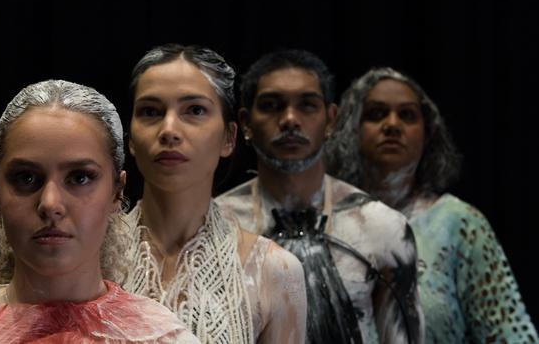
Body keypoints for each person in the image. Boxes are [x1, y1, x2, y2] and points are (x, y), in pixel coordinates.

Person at [0, 80, 198, 343]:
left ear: (117, 192)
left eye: (80, 177)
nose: (51, 204)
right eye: (26, 178)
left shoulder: (164, 339)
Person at [216, 50, 423, 344]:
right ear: (246, 123)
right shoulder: (216, 225)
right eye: (272, 105)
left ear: (330, 120)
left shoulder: (381, 227)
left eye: (307, 105)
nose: (289, 119)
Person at [326, 67, 539, 343]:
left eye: (407, 115)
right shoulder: (325, 222)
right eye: (376, 114)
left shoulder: (458, 223)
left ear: (428, 135)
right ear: (350, 131)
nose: (392, 125)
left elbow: (513, 336)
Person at [122, 44, 307, 344]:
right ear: (130, 139)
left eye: (194, 110)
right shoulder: (91, 255)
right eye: (151, 112)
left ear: (229, 138)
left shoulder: (274, 271)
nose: (169, 129)